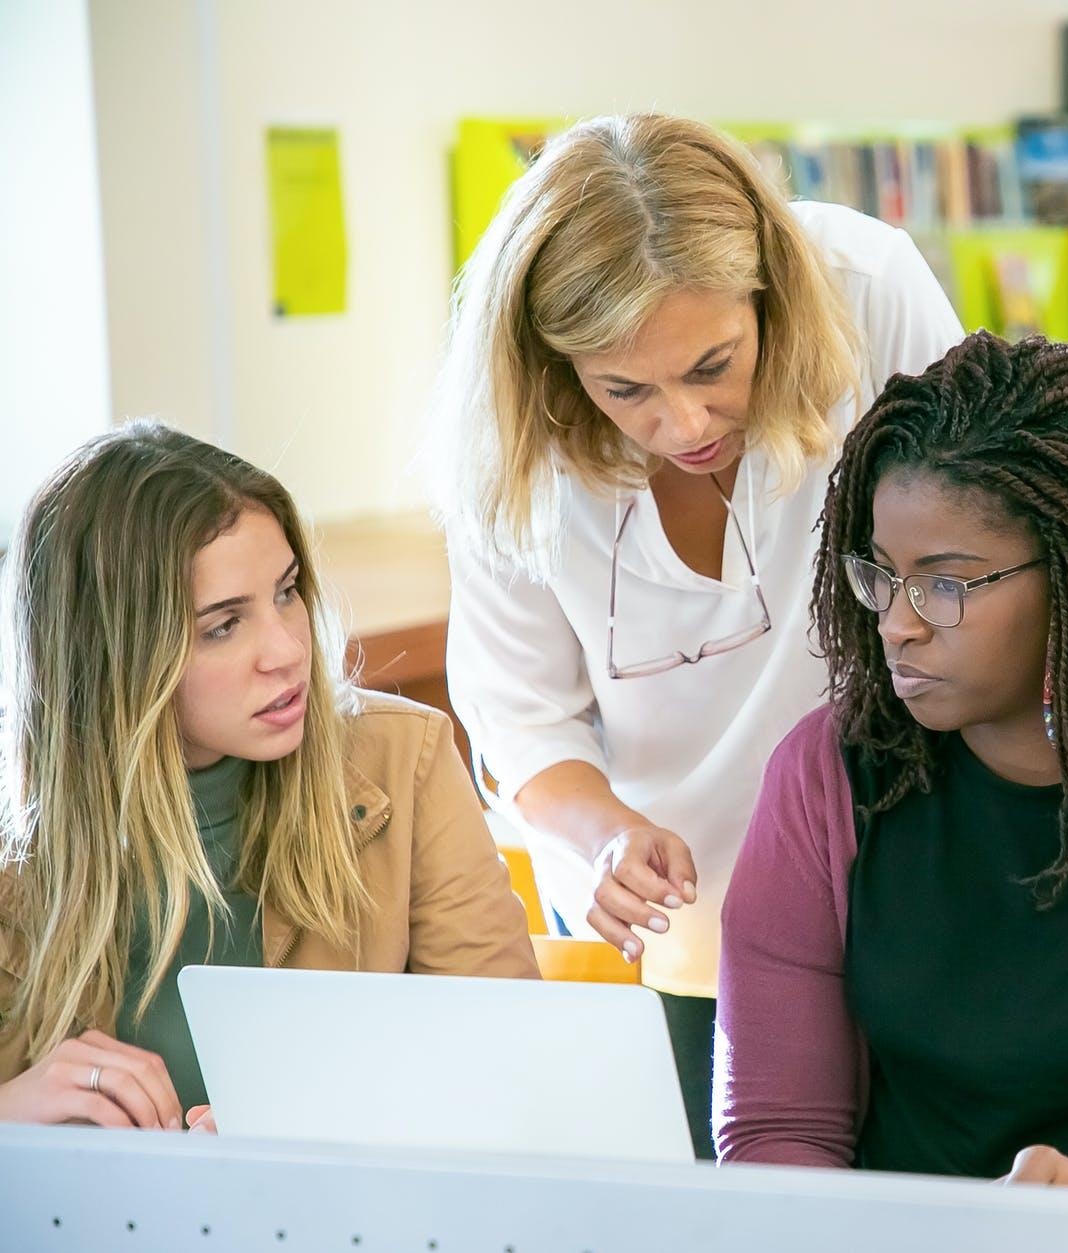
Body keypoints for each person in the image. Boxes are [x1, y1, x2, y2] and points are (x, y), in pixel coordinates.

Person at [430, 113, 963, 1155]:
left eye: (713, 363)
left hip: (919, 874)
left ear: (769, 291)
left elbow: (973, 546)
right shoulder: (511, 443)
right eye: (624, 388)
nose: (684, 423)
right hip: (685, 933)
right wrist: (599, 841)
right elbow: (522, 717)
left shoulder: (868, 288)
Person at [715, 332, 1068, 1195]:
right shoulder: (824, 776)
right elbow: (777, 1132)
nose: (896, 622)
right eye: (879, 575)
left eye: (943, 583)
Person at [0, 422, 537, 1133]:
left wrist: (331, 1124)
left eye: (287, 592)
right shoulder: (20, 844)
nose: (287, 649)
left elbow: (512, 1066)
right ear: (112, 659)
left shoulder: (402, 759)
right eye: (223, 625)